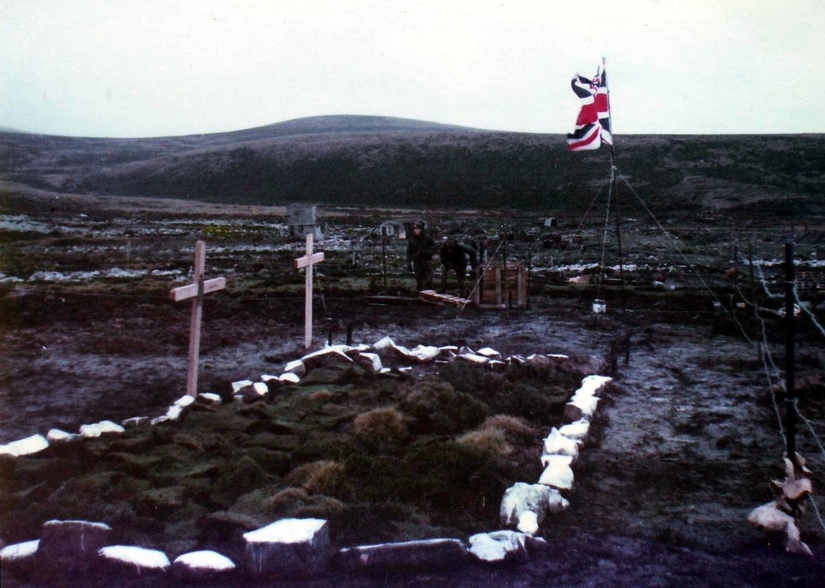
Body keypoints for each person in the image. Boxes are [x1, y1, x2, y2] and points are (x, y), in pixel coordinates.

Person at [406, 221, 436, 292]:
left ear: (421, 229)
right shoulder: (412, 240)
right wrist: (409, 263)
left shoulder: (427, 237)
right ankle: (419, 294)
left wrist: (429, 253)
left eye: (416, 229)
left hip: (426, 261)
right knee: (419, 280)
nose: (415, 230)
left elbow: (434, 247)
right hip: (417, 261)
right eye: (414, 229)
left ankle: (429, 294)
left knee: (428, 280)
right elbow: (409, 252)